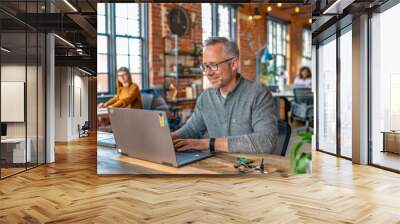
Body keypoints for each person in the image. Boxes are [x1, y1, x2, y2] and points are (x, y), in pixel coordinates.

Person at [172, 37, 278, 154]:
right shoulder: (205, 97)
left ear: (233, 64)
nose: (208, 73)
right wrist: (166, 139)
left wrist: (207, 144)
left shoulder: (258, 93)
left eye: (213, 65)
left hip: (248, 168)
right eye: (205, 66)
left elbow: (266, 142)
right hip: (214, 166)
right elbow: (190, 130)